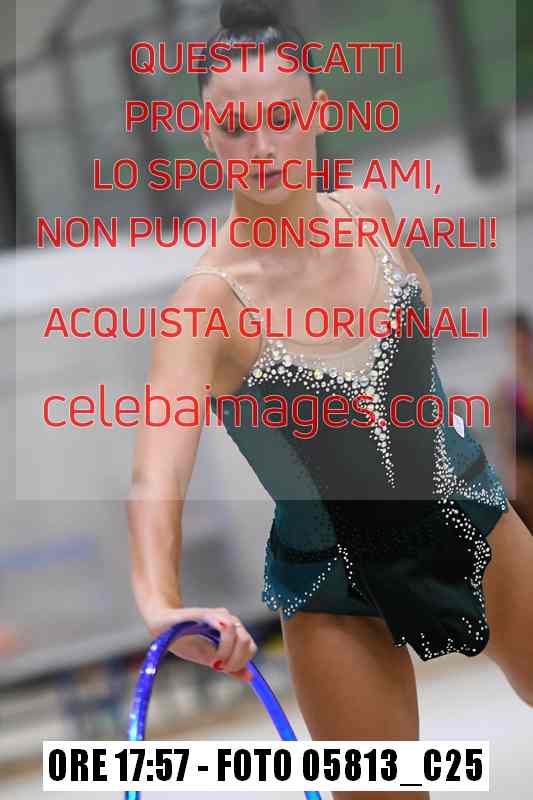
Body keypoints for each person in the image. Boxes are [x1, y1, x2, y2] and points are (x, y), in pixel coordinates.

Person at [127, 3, 533, 798]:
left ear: (316, 113)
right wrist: (159, 605)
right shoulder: (205, 306)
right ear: (205, 134)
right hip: (333, 584)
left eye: (281, 118)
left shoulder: (372, 215)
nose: (262, 147)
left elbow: (418, 343)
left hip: (470, 517)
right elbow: (155, 475)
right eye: (235, 127)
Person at [493, 311, 533, 530]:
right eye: (514, 341)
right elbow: (504, 436)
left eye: (522, 340)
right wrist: (509, 469)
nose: (519, 346)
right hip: (523, 462)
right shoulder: (505, 388)